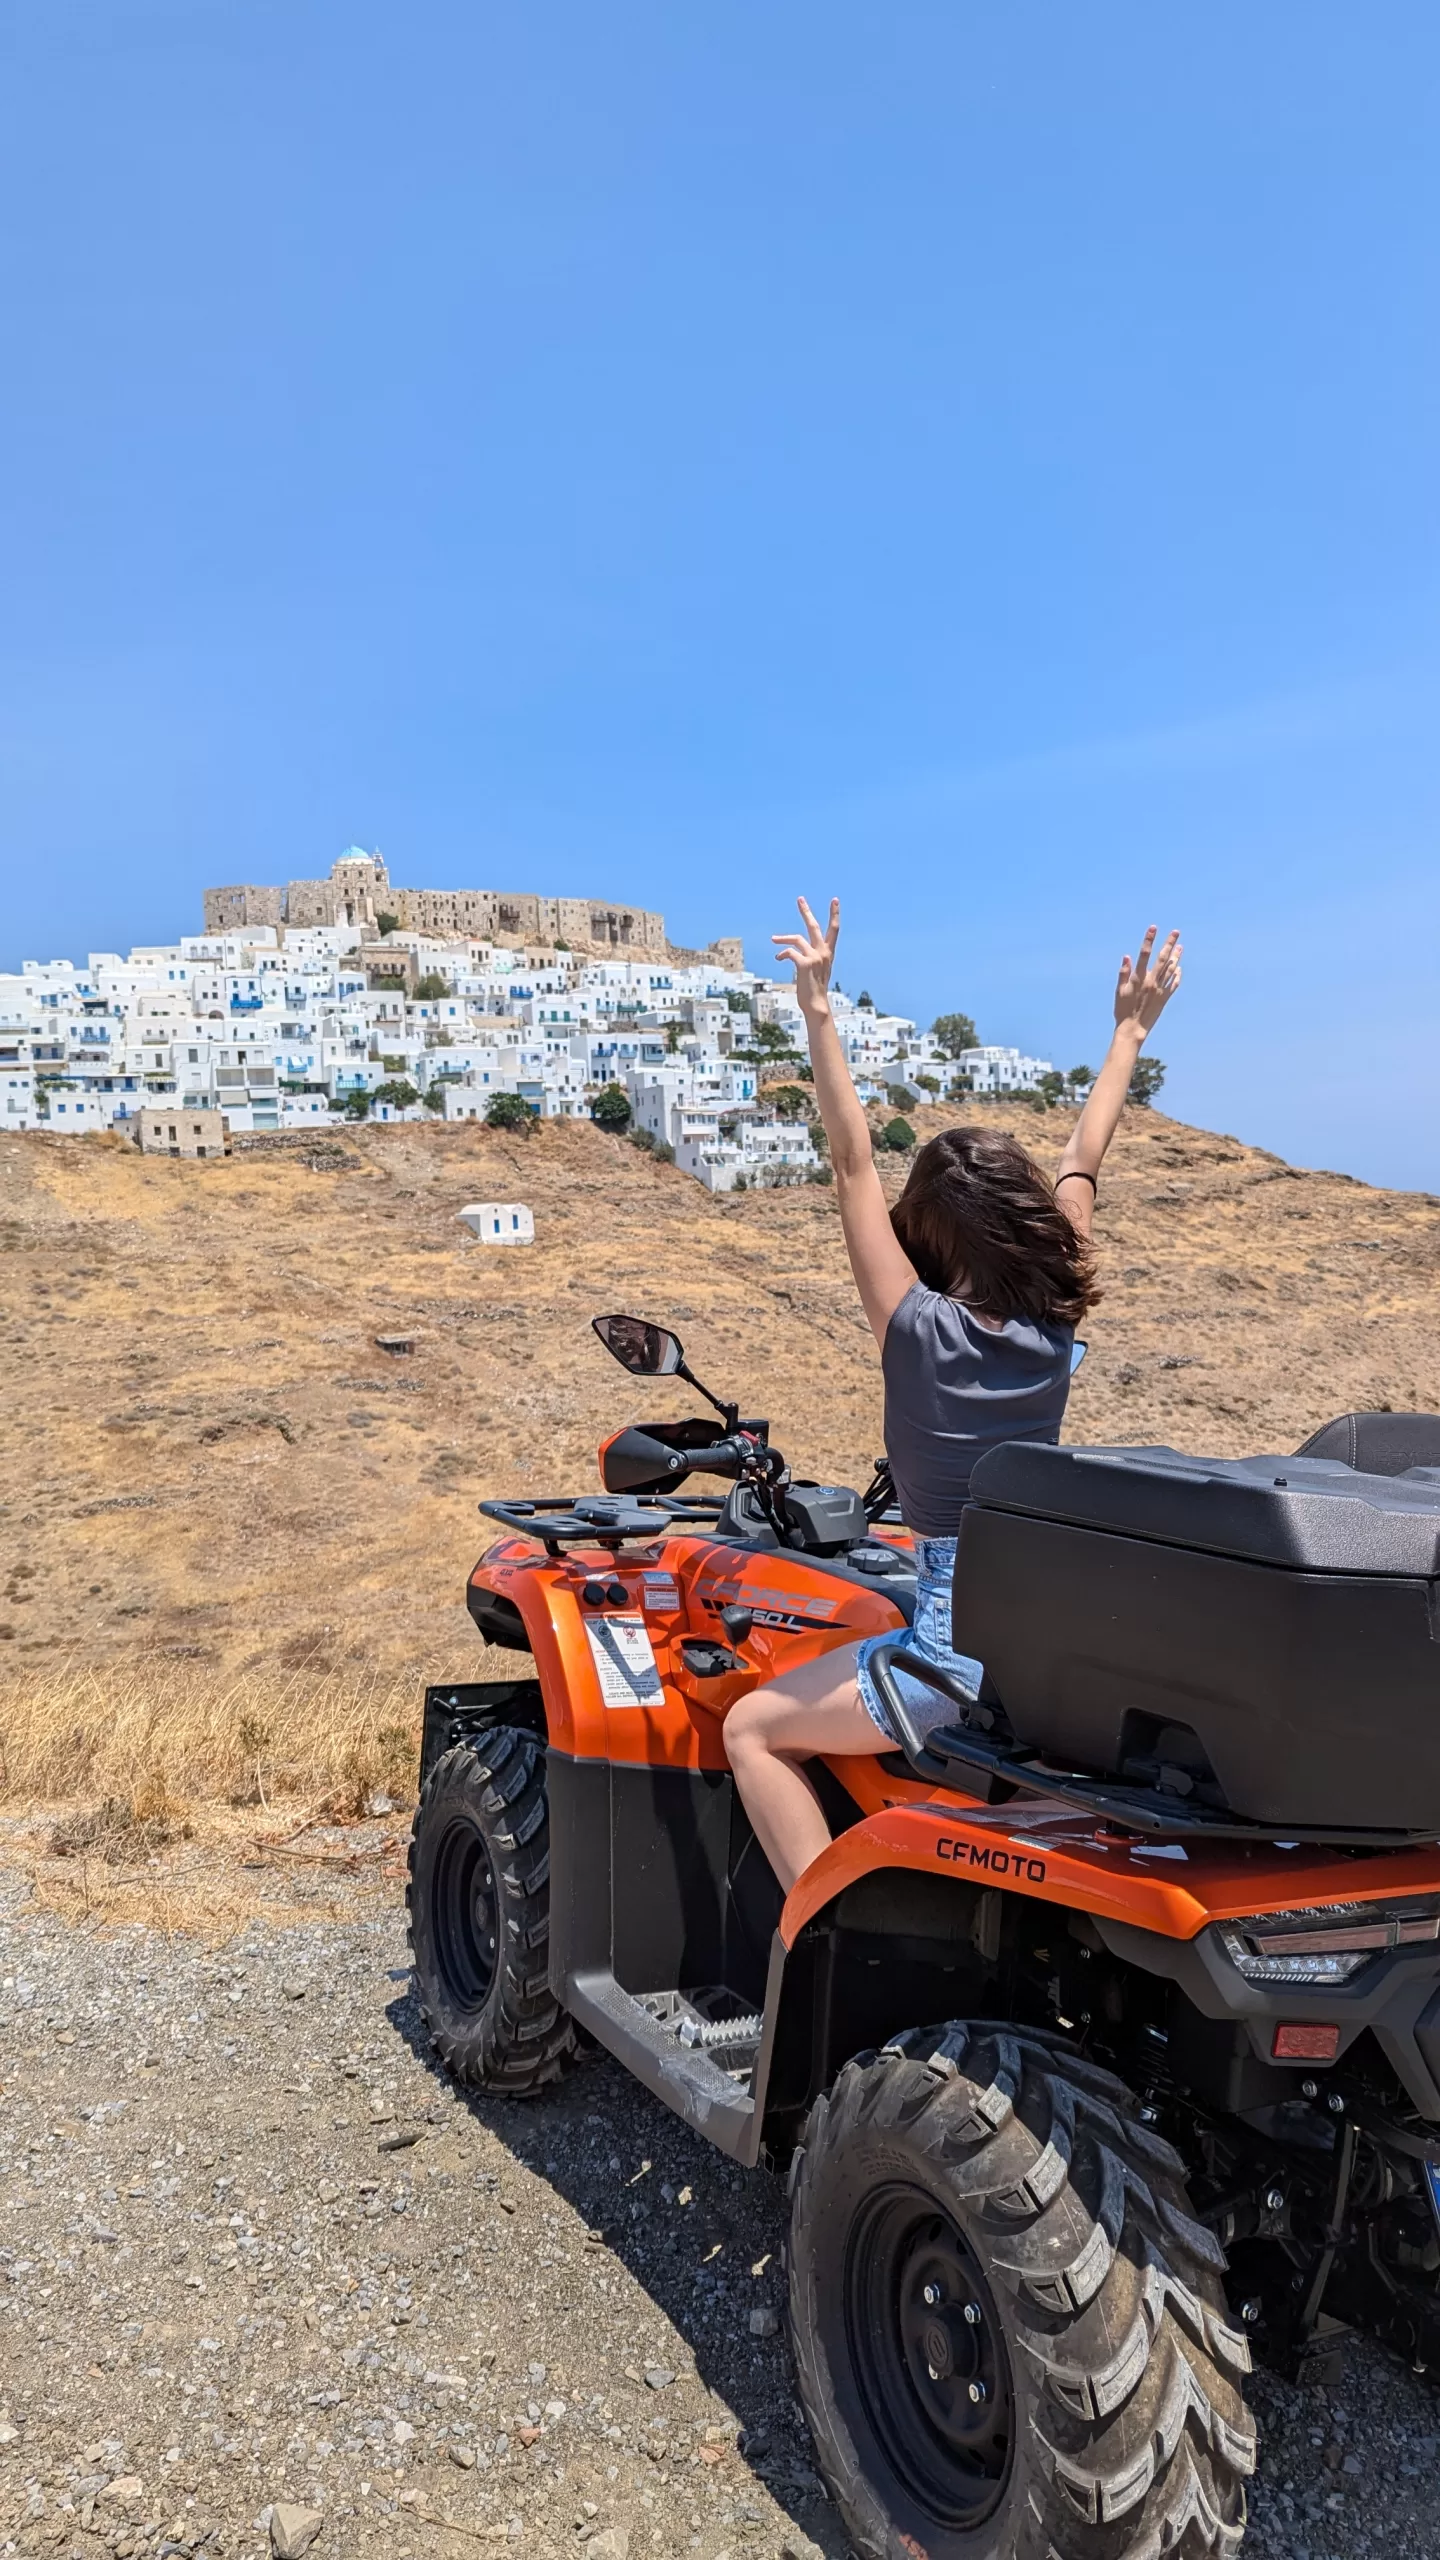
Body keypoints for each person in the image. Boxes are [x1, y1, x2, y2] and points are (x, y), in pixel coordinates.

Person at [722, 896, 1182, 1893]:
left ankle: (815, 1932)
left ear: (927, 1233)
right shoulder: (1055, 1318)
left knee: (752, 1728)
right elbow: (1083, 1160)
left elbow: (850, 1159)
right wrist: (1130, 1031)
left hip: (951, 1660)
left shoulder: (915, 1329)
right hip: (1047, 1647)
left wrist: (818, 1009)